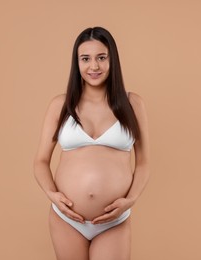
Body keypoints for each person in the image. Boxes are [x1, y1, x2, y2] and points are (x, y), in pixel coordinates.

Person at [34, 26, 150, 260]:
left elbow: (144, 162)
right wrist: (52, 194)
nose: (93, 66)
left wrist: (130, 200)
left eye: (101, 58)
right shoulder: (61, 105)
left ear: (112, 60)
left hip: (113, 221)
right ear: (77, 63)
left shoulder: (133, 104)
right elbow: (41, 161)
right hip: (67, 219)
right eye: (85, 59)